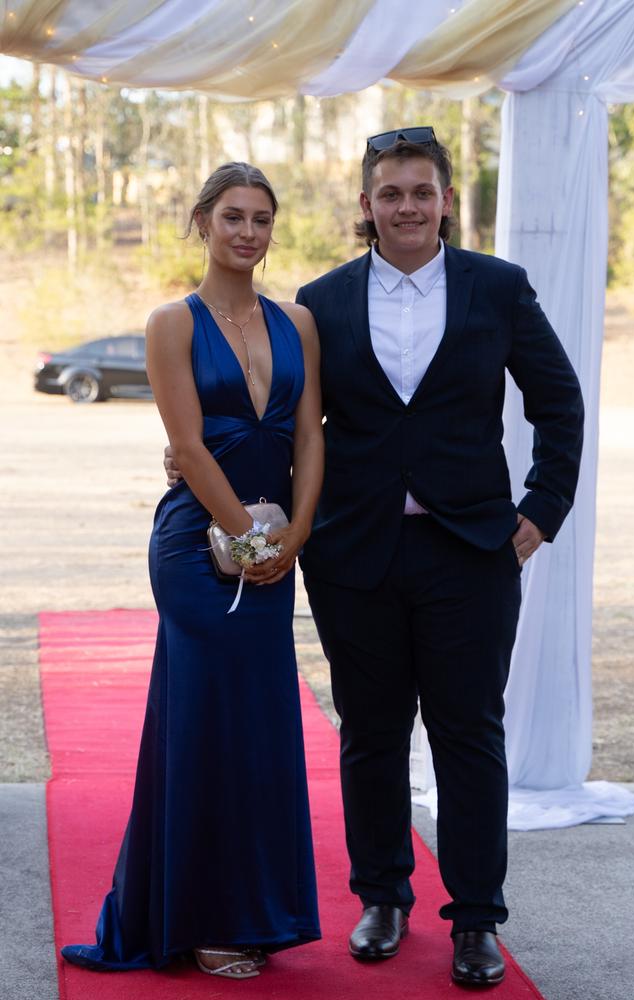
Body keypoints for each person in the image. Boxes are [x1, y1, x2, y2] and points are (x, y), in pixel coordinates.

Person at [166, 127, 584, 987]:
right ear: (366, 206)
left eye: (421, 192)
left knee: (470, 735)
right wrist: (188, 456)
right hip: (356, 553)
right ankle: (383, 897)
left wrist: (540, 513)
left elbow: (560, 403)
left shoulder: (498, 290)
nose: (406, 208)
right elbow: (290, 423)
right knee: (372, 735)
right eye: (390, 194)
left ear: (443, 201)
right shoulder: (318, 304)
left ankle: (475, 918)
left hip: (471, 552)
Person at [62, 162, 324, 979]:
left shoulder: (299, 322)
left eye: (262, 219)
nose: (248, 232)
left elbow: (311, 435)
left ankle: (260, 910)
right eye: (234, 216)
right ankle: (204, 917)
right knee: (206, 723)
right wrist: (248, 537)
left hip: (278, 547)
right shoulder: (170, 321)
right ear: (202, 221)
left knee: (262, 727)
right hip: (196, 551)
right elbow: (187, 447)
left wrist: (298, 535)